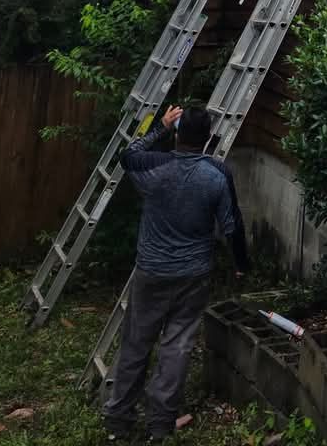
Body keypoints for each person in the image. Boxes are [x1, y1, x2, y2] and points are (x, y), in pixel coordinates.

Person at [104, 104, 249, 442]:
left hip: (151, 273)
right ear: (208, 138)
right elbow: (233, 226)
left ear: (180, 134)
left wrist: (161, 126)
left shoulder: (154, 168)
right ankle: (159, 425)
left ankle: (119, 421)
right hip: (193, 276)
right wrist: (241, 264)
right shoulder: (217, 175)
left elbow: (129, 153)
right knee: (177, 347)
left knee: (136, 343)